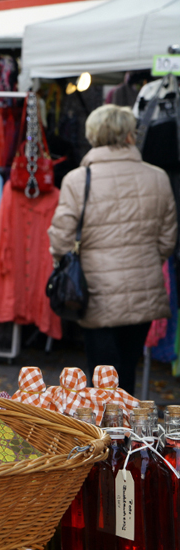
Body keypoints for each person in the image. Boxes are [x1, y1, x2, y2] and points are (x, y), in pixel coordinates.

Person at [49, 105, 177, 393]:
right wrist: (143, 260)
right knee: (127, 369)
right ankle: (128, 433)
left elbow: (60, 240)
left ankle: (105, 436)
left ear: (93, 135)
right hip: (144, 286)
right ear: (130, 135)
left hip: (96, 290)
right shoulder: (157, 177)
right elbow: (168, 240)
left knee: (102, 374)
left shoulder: (77, 180)